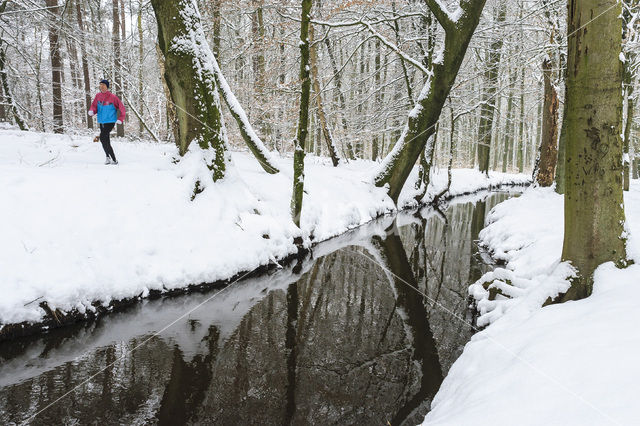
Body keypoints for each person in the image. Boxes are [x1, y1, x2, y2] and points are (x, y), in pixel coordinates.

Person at [88, 79, 125, 165]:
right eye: (100, 85)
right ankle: (107, 157)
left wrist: (120, 118)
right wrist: (92, 111)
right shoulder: (98, 96)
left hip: (110, 121)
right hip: (101, 121)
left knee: (102, 138)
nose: (101, 86)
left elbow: (122, 108)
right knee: (105, 140)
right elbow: (94, 106)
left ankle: (114, 159)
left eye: (103, 85)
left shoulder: (113, 97)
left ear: (107, 87)